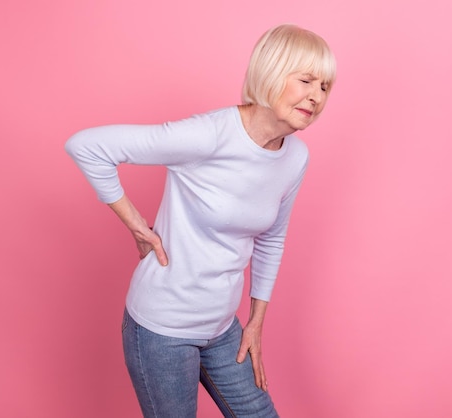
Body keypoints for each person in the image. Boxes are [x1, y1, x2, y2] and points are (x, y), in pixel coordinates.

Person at [65, 23, 336, 418]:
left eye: (325, 86)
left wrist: (255, 324)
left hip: (222, 328)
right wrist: (137, 225)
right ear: (272, 72)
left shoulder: (295, 158)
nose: (316, 96)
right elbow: (86, 146)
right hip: (162, 330)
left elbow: (272, 238)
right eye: (307, 80)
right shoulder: (209, 135)